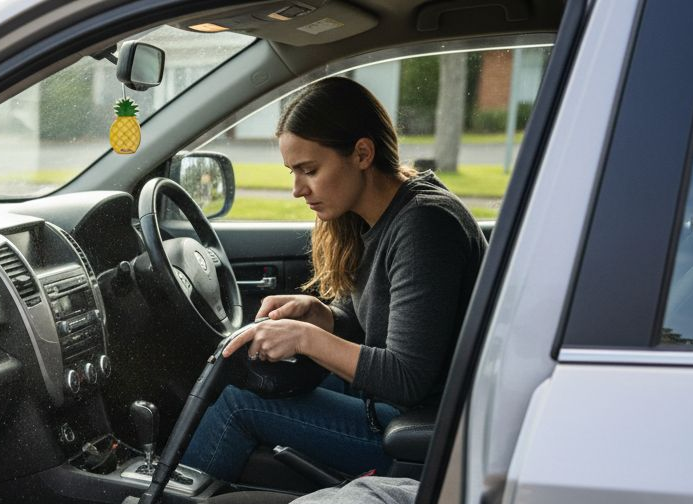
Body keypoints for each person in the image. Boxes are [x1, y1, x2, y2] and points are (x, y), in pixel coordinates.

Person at [180, 76, 487, 482]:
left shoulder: (424, 226)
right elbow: (377, 326)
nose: (296, 189)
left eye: (309, 170)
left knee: (239, 403)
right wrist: (322, 315)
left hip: (422, 430)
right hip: (399, 408)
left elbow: (407, 377)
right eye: (293, 171)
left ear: (362, 153)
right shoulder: (375, 216)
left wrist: (306, 338)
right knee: (251, 380)